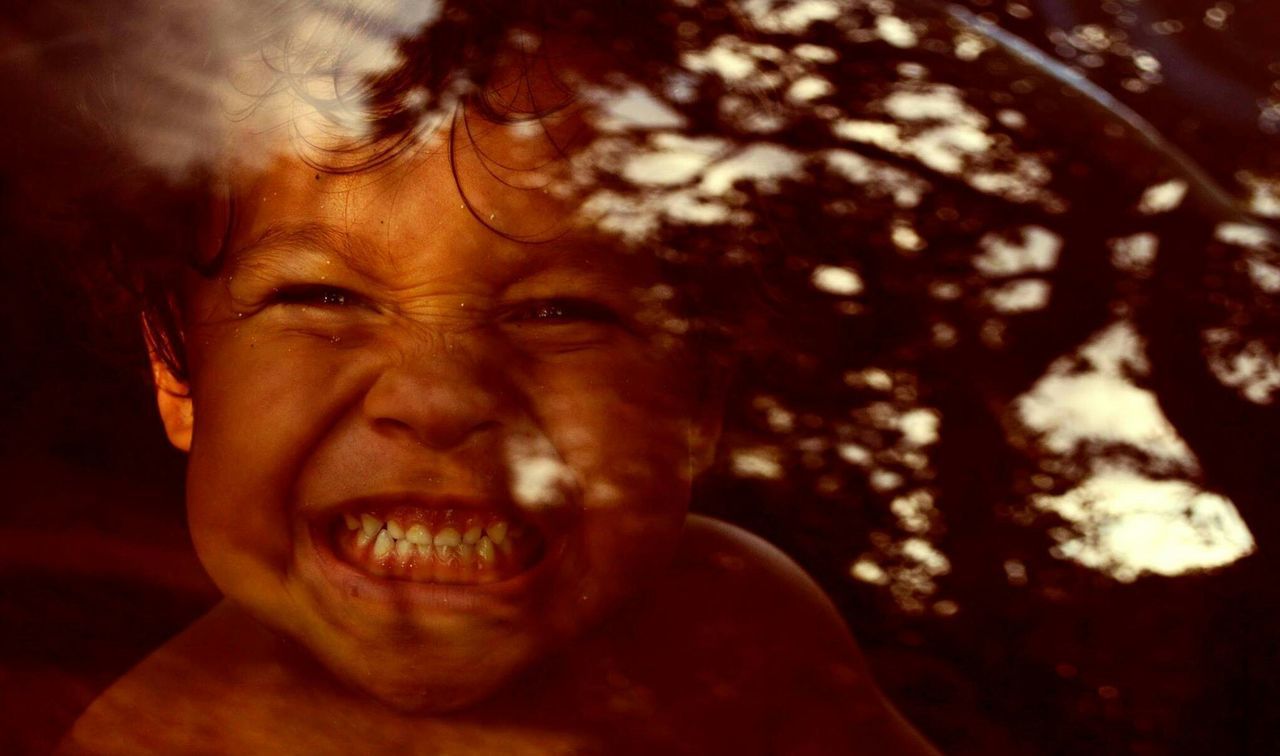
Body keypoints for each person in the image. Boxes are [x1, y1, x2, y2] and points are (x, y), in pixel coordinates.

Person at [58, 5, 938, 753]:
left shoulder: (736, 615)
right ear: (178, 373)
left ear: (697, 401)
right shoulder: (151, 741)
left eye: (561, 312)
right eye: (321, 296)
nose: (439, 400)